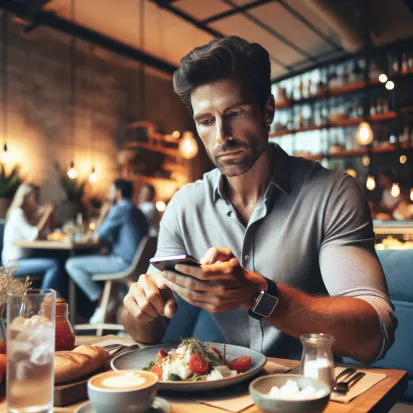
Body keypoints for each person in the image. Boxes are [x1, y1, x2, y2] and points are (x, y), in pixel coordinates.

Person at [121, 36, 396, 363]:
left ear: (267, 111)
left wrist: (257, 294)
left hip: (312, 392)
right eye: (206, 121)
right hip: (225, 391)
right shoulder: (184, 207)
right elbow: (147, 332)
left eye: (235, 112)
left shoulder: (332, 193)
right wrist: (141, 310)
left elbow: (375, 334)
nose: (222, 135)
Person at [65, 179, 148, 323]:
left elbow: (97, 236)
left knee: (72, 264)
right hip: (139, 264)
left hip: (123, 263)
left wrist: (104, 212)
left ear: (118, 192)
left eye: (110, 190)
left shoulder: (119, 209)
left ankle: (103, 301)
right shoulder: (138, 211)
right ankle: (109, 302)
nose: (108, 194)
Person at [2, 184, 60, 291]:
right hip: (13, 263)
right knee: (54, 265)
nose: (38, 200)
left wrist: (50, 215)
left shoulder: (28, 215)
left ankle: (54, 300)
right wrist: (47, 213)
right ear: (26, 197)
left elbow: (48, 233)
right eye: (35, 196)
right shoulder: (17, 214)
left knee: (58, 259)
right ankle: (45, 302)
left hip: (25, 260)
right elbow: (33, 236)